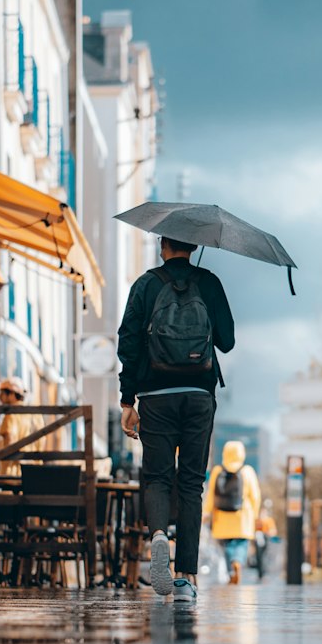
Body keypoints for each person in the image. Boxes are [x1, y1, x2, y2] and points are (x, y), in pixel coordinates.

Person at [118, 236, 235, 601]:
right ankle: (186, 576)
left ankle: (157, 536)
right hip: (199, 396)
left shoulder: (146, 284)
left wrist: (127, 400)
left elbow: (128, 342)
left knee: (157, 476)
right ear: (194, 247)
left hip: (155, 396)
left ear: (161, 245)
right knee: (190, 484)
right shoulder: (210, 283)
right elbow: (228, 341)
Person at [204, 441, 262, 584]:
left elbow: (211, 494)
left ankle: (231, 570)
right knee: (241, 544)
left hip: (222, 517)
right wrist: (255, 514)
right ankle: (237, 562)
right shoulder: (247, 471)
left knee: (226, 544)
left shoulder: (218, 471)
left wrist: (206, 512)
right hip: (242, 517)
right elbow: (255, 495)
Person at [0, 376, 40, 477]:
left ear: (11, 394)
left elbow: (10, 441)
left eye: (2, 392)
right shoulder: (35, 415)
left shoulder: (11, 415)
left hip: (13, 471)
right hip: (33, 471)